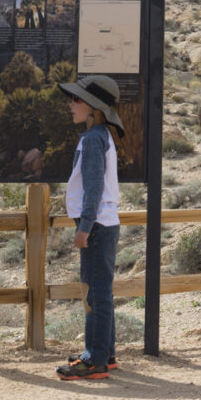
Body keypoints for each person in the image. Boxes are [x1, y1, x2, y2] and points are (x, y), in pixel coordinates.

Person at [55, 75, 125, 381]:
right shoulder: (100, 136)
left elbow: (93, 188)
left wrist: (83, 227)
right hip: (103, 224)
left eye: (77, 99)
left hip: (96, 226)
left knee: (96, 295)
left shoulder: (94, 138)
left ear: (95, 107)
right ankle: (104, 355)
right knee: (100, 292)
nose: (71, 104)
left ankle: (94, 360)